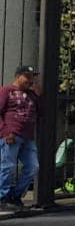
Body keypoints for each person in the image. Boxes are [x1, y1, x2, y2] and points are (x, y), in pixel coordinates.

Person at [0, 65, 41, 210]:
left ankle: (15, 196)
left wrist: (37, 96)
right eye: (27, 77)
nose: (30, 81)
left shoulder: (31, 95)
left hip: (28, 137)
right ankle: (2, 197)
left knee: (33, 166)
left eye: (32, 78)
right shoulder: (6, 91)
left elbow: (40, 113)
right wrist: (5, 132)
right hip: (12, 134)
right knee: (8, 167)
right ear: (18, 77)